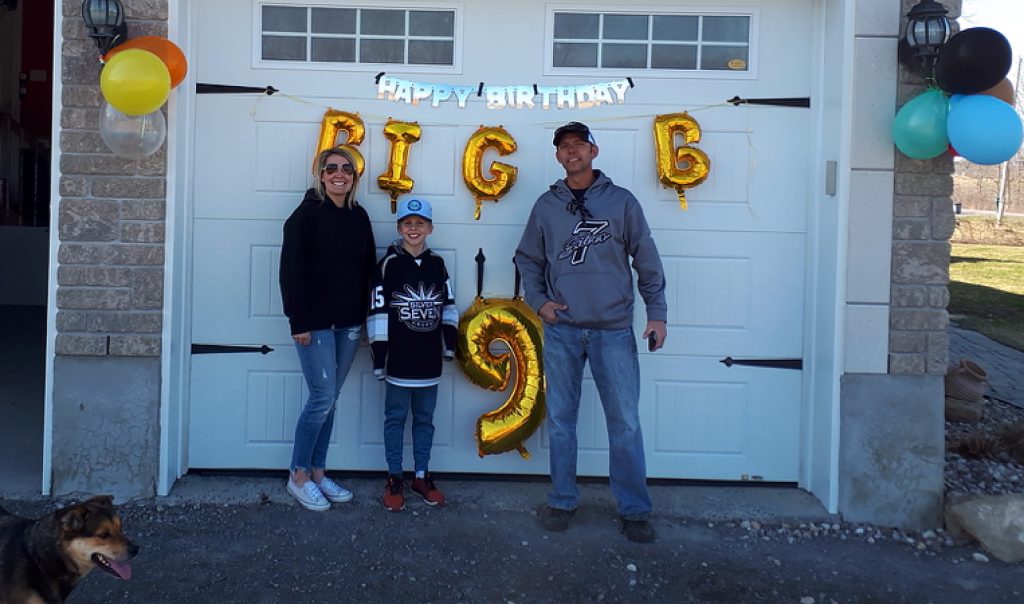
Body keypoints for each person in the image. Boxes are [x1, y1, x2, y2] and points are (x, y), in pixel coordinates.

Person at [514, 121, 667, 543]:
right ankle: (562, 500)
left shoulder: (621, 202)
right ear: (558, 155)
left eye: (579, 145)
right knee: (561, 421)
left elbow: (646, 258)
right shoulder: (547, 206)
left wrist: (657, 312)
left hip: (613, 330)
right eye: (564, 146)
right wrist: (539, 301)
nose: (571, 152)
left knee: (625, 423)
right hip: (563, 331)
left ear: (594, 152)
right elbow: (527, 258)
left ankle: (635, 509)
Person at [279, 147, 376, 512]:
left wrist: (368, 319)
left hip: (349, 324)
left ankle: (319, 472)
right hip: (315, 325)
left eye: (347, 169)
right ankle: (298, 475)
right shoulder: (304, 217)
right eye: (332, 168)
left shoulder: (358, 216)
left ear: (354, 177)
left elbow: (368, 269)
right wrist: (298, 321)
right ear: (320, 175)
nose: (340, 174)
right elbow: (290, 271)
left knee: (331, 397)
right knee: (321, 397)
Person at [367, 198, 459, 512]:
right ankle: (394, 476)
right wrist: (380, 356)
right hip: (399, 360)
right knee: (395, 418)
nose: (414, 228)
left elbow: (448, 306)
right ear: (399, 227)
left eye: (420, 223)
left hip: (428, 361)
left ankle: (421, 475)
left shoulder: (438, 264)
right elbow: (377, 312)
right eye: (408, 223)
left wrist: (449, 344)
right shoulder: (388, 264)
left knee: (425, 420)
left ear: (430, 228)